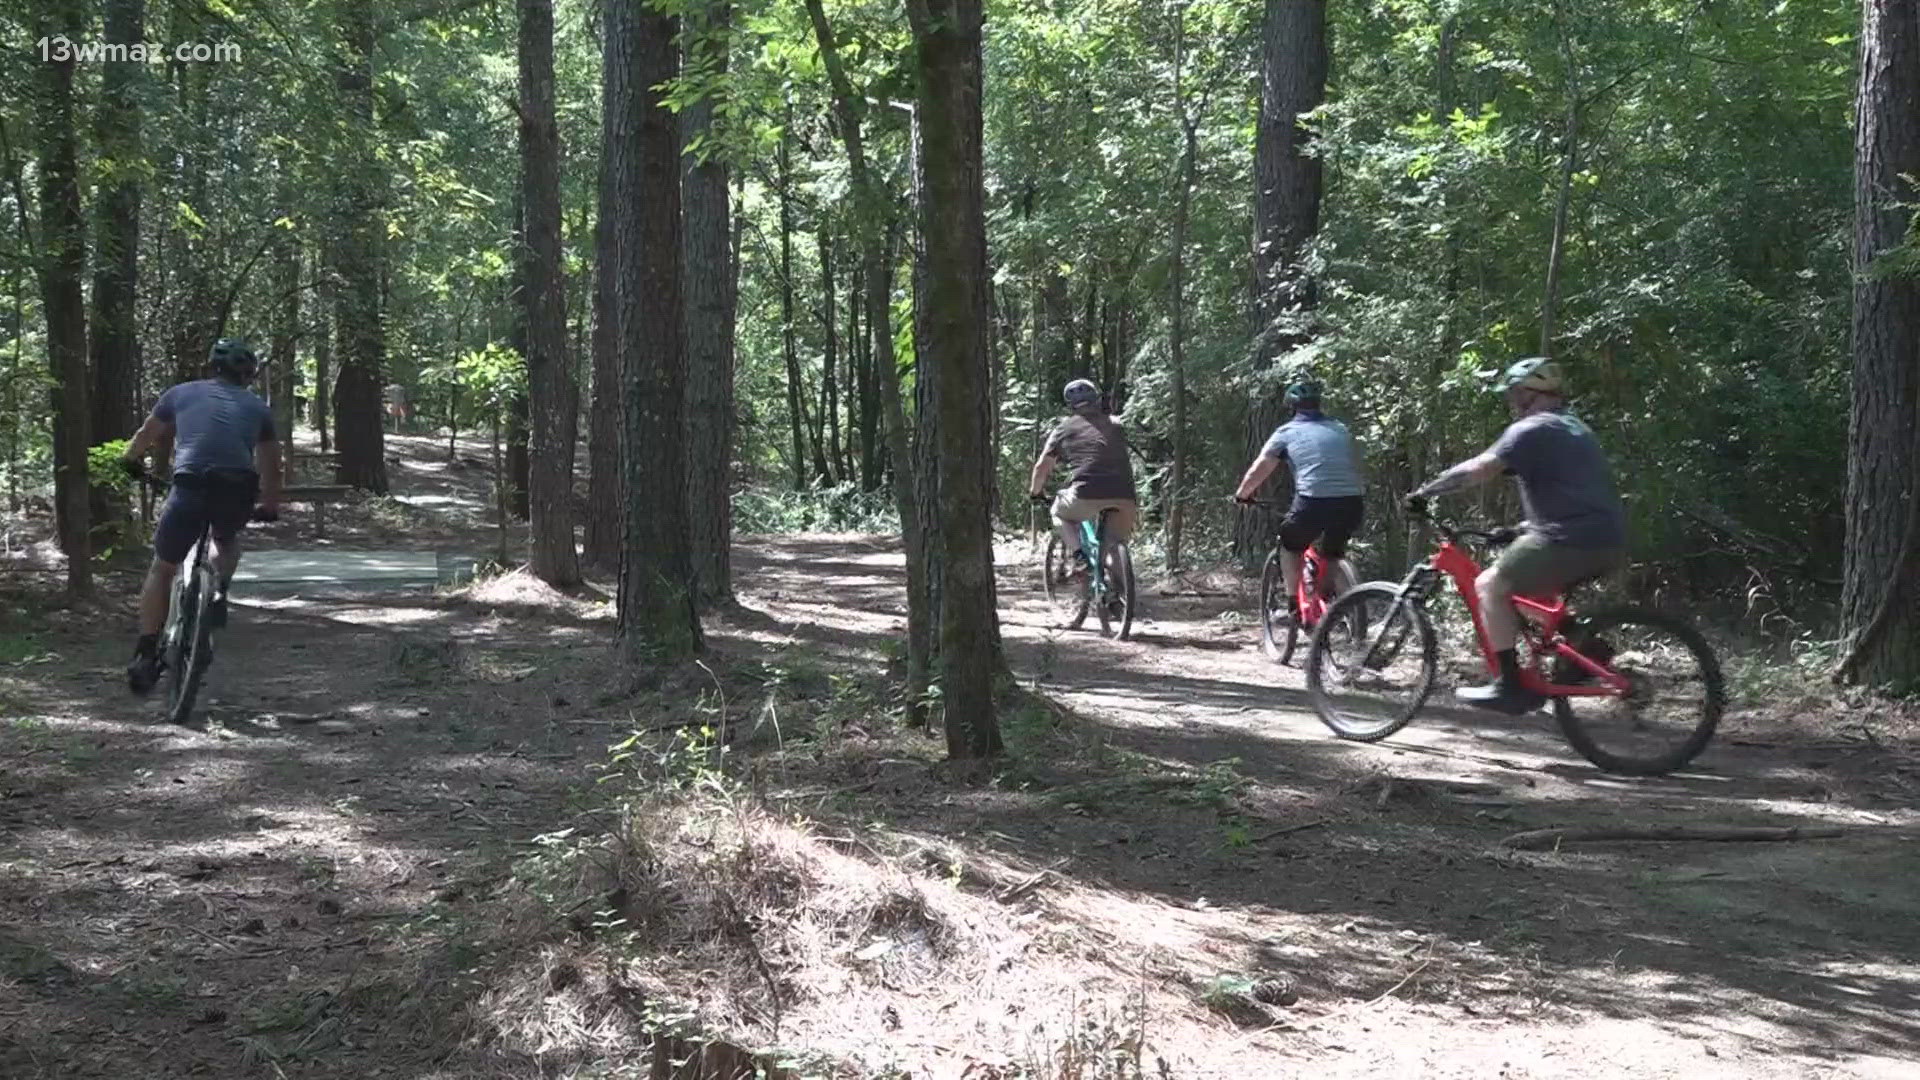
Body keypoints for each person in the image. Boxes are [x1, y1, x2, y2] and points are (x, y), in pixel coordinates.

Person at [1407, 356, 1626, 714]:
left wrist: (1426, 492)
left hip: (1567, 538)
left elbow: (1480, 469)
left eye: (1513, 394)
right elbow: (1574, 492)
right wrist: (1519, 530)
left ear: (1529, 394)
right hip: (1604, 538)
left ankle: (1509, 686)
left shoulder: (1532, 429)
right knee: (1527, 595)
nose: (1510, 402)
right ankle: (1586, 645)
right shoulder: (1575, 428)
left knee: (1490, 586)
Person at [121, 338, 282, 695]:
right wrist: (270, 503)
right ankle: (218, 590)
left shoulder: (180, 393)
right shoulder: (258, 407)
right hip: (237, 488)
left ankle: (146, 652)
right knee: (225, 539)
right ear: (248, 376)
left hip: (191, 485)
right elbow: (271, 463)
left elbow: (147, 434)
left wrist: (130, 460)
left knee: (163, 567)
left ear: (213, 367)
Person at [1234, 377, 1365, 620]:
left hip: (1313, 501)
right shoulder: (1340, 429)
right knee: (1333, 553)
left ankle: (1293, 604)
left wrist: (1243, 495)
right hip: (1352, 501)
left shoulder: (1286, 433)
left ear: (1291, 407)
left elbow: (1261, 468)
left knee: (1290, 544)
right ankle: (1337, 607)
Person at [1027, 379, 1137, 581]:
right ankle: (1122, 599)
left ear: (1070, 405)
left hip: (1087, 492)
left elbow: (1042, 466)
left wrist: (1036, 493)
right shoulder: (1116, 424)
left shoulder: (1062, 430)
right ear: (1096, 399)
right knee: (1113, 545)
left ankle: (1079, 557)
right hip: (1126, 494)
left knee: (1059, 514)